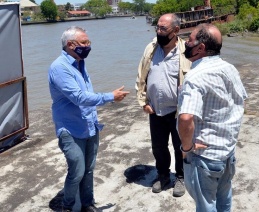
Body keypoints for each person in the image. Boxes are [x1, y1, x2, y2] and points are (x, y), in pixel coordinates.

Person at [48, 26, 129, 212]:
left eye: (88, 42)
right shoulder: (59, 67)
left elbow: (86, 95)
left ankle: (87, 203)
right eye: (84, 42)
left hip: (89, 125)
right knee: (77, 171)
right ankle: (67, 206)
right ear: (70, 44)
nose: (88, 46)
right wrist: (110, 96)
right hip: (70, 128)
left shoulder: (79, 62)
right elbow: (79, 97)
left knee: (89, 169)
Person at [177, 23, 248, 211]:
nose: (186, 42)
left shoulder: (195, 76)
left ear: (201, 48)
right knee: (224, 200)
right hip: (227, 152)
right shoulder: (230, 68)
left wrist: (187, 147)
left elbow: (185, 118)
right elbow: (239, 102)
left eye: (190, 40)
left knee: (206, 205)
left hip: (205, 157)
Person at [135, 13, 191, 197]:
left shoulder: (186, 51)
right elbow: (141, 75)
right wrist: (143, 102)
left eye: (163, 28)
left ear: (176, 30)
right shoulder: (151, 49)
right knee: (158, 147)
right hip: (155, 109)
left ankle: (181, 177)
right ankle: (163, 175)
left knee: (180, 146)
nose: (158, 31)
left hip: (178, 111)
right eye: (157, 27)